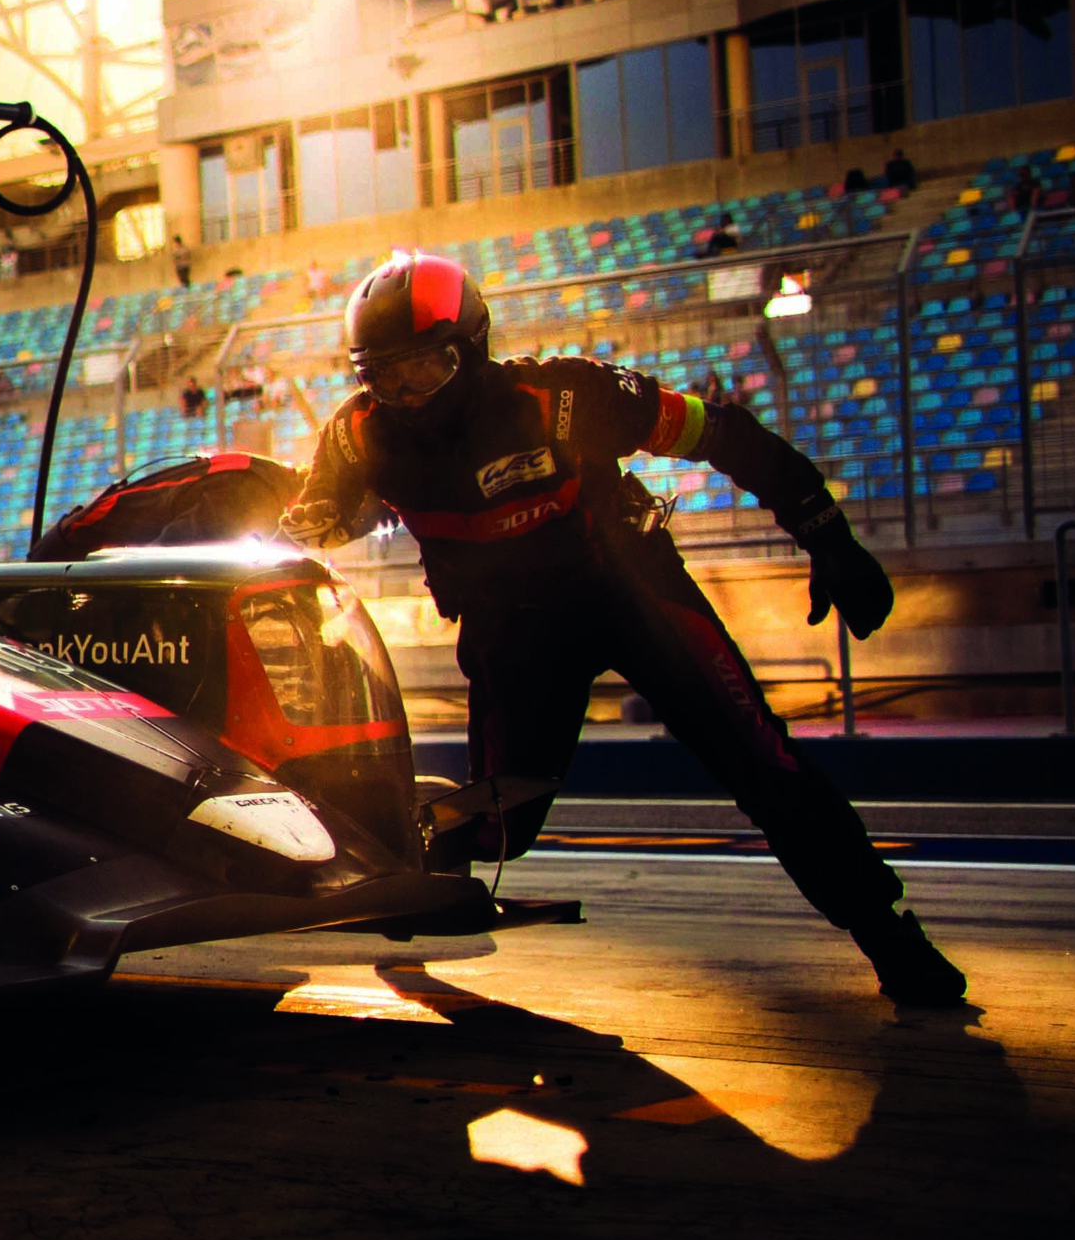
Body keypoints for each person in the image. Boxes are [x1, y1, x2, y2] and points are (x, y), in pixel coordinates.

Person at [279, 251, 967, 1006]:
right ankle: (425, 868)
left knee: (761, 762)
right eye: (384, 376)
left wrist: (826, 534)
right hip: (514, 629)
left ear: (472, 349)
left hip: (633, 592)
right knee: (502, 826)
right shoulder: (354, 436)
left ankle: (887, 933)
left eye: (426, 368)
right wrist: (301, 524)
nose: (408, 395)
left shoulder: (565, 395)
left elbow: (722, 433)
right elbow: (303, 523)